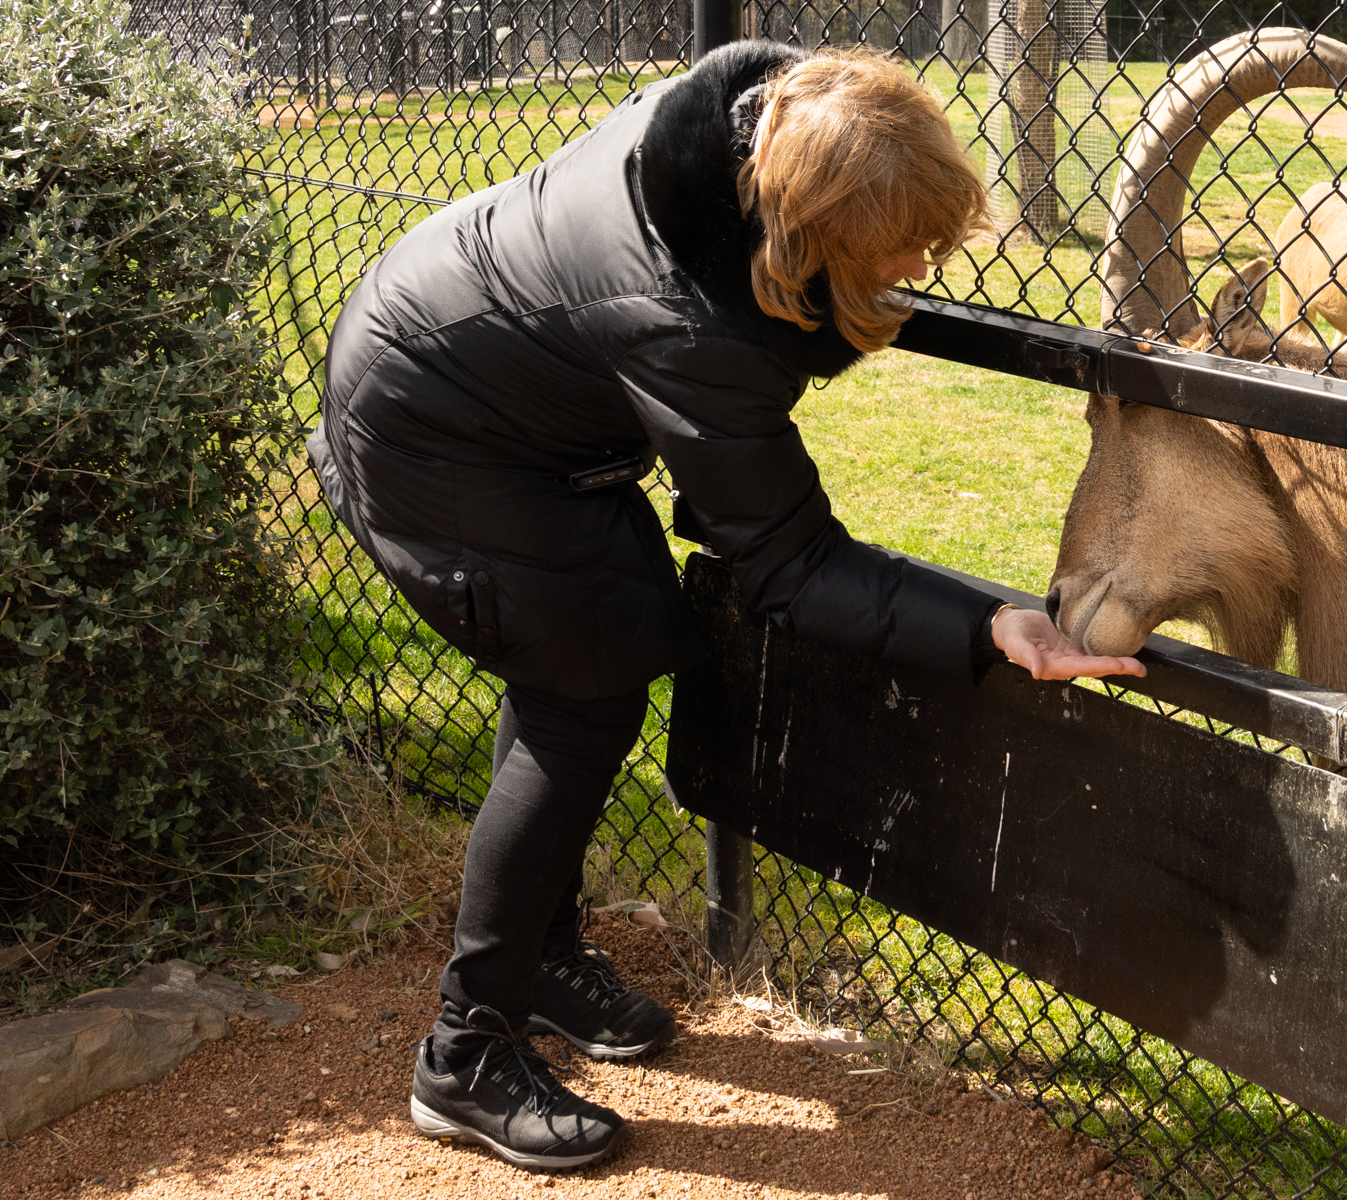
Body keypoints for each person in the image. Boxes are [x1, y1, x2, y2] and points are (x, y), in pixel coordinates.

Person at [306, 40, 1145, 1174]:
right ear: (808, 241)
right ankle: (465, 1056)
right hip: (437, 438)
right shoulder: (686, 320)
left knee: (577, 669)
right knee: (581, 705)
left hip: (467, 368)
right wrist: (990, 625)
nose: (927, 264)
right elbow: (791, 566)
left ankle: (543, 961)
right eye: (902, 248)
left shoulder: (757, 124)